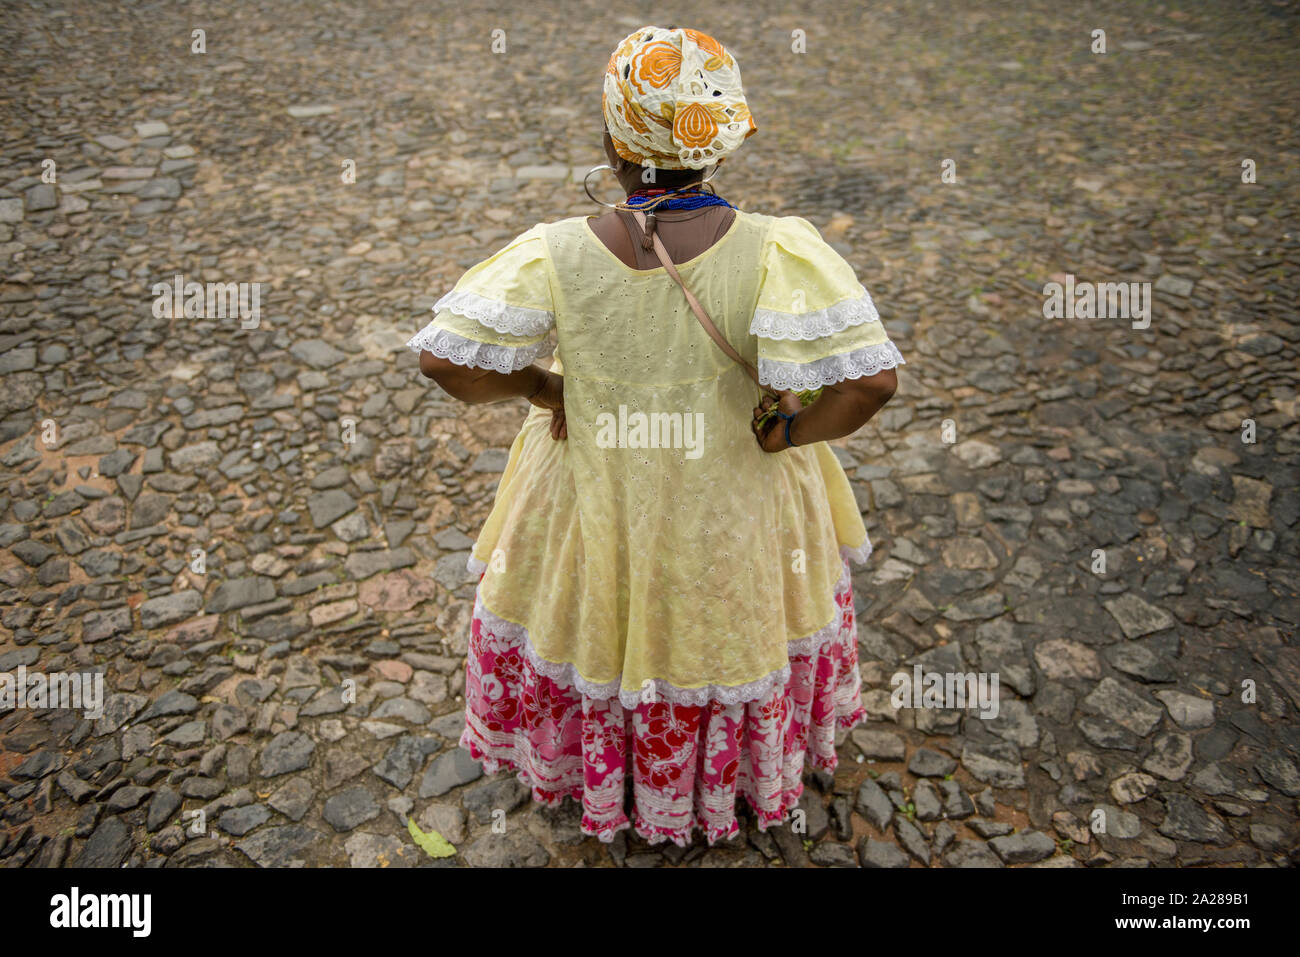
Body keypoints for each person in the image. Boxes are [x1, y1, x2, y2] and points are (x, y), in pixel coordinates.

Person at [408, 24, 904, 848]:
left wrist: (539, 384)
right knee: (726, 622)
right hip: (732, 499)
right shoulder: (776, 249)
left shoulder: (559, 251)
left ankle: (618, 775)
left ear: (612, 140)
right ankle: (721, 785)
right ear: (723, 135)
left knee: (601, 621)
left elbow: (443, 359)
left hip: (594, 494)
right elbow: (872, 382)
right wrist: (790, 433)